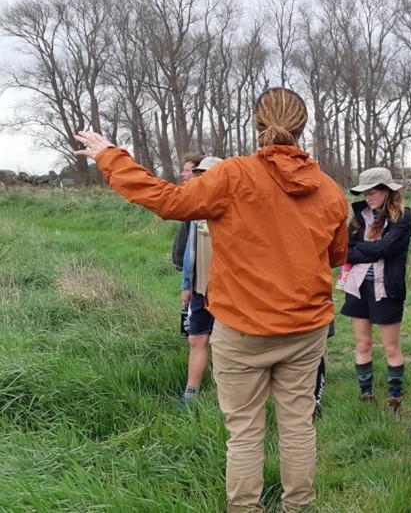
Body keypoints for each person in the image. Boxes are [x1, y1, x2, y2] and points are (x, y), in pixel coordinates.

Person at [75, 86, 348, 513]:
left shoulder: (233, 175)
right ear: (301, 127)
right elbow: (335, 255)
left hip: (243, 329)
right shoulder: (329, 189)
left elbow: (168, 201)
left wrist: (112, 156)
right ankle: (300, 507)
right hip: (306, 327)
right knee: (297, 428)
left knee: (245, 433)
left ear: (257, 124)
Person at [342, 167, 411, 413]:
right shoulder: (358, 217)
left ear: (386, 192)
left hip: (387, 288)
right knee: (362, 344)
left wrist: (363, 248)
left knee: (391, 346)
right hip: (358, 287)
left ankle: (394, 399)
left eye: (372, 193)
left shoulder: (402, 217)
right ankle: (366, 396)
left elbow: (387, 248)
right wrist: (367, 247)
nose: (368, 198)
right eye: (365, 193)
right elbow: (346, 251)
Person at [178, 156, 224, 407]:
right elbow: (190, 251)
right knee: (196, 339)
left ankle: (225, 394)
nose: (201, 177)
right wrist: (186, 284)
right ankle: (190, 394)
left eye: (207, 173)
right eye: (199, 173)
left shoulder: (233, 208)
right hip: (200, 287)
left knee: (224, 342)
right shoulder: (197, 211)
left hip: (228, 289)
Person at [171, 152, 205, 272]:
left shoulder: (201, 201)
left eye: (186, 171)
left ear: (198, 172)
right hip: (186, 262)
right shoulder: (188, 196)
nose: (182, 174)